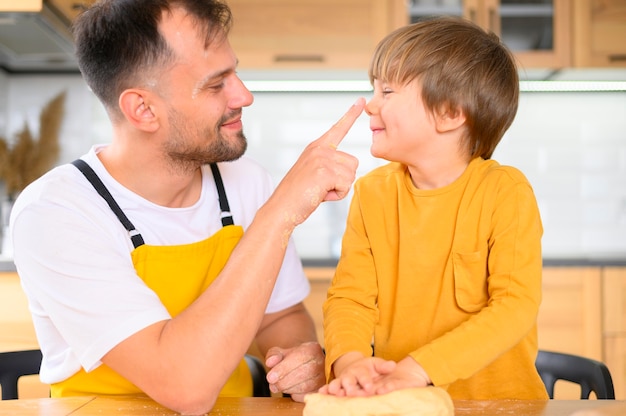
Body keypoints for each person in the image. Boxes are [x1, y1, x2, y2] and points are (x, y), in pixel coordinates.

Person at [9, 0, 364, 414]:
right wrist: (281, 211)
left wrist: (297, 359)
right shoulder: (57, 213)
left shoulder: (245, 183)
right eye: (217, 85)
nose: (244, 95)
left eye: (235, 72)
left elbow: (278, 317)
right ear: (142, 109)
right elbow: (186, 388)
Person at [320, 16, 548, 400]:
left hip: (502, 406)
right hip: (405, 405)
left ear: (450, 112)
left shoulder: (505, 192)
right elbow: (350, 298)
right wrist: (349, 362)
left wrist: (419, 369)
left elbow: (515, 306)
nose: (371, 105)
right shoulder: (372, 193)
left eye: (388, 91)